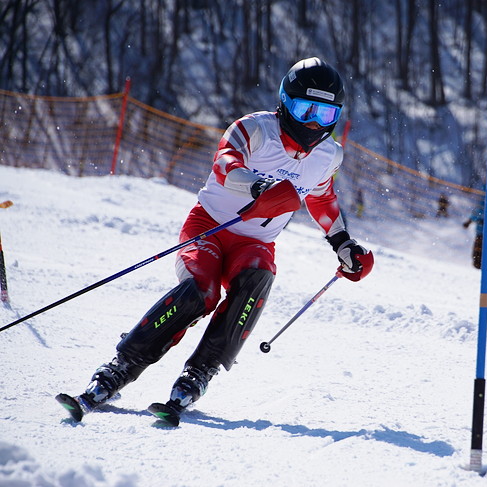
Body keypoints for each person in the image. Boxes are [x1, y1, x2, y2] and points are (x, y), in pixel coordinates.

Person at [60, 57, 374, 421]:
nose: (313, 123)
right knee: (201, 291)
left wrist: (343, 243)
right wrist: (260, 186)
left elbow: (321, 197)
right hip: (209, 227)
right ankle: (121, 366)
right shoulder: (255, 129)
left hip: (255, 243)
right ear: (285, 102)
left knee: (258, 277)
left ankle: (199, 373)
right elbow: (224, 164)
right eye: (305, 109)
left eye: (325, 115)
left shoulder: (328, 155)